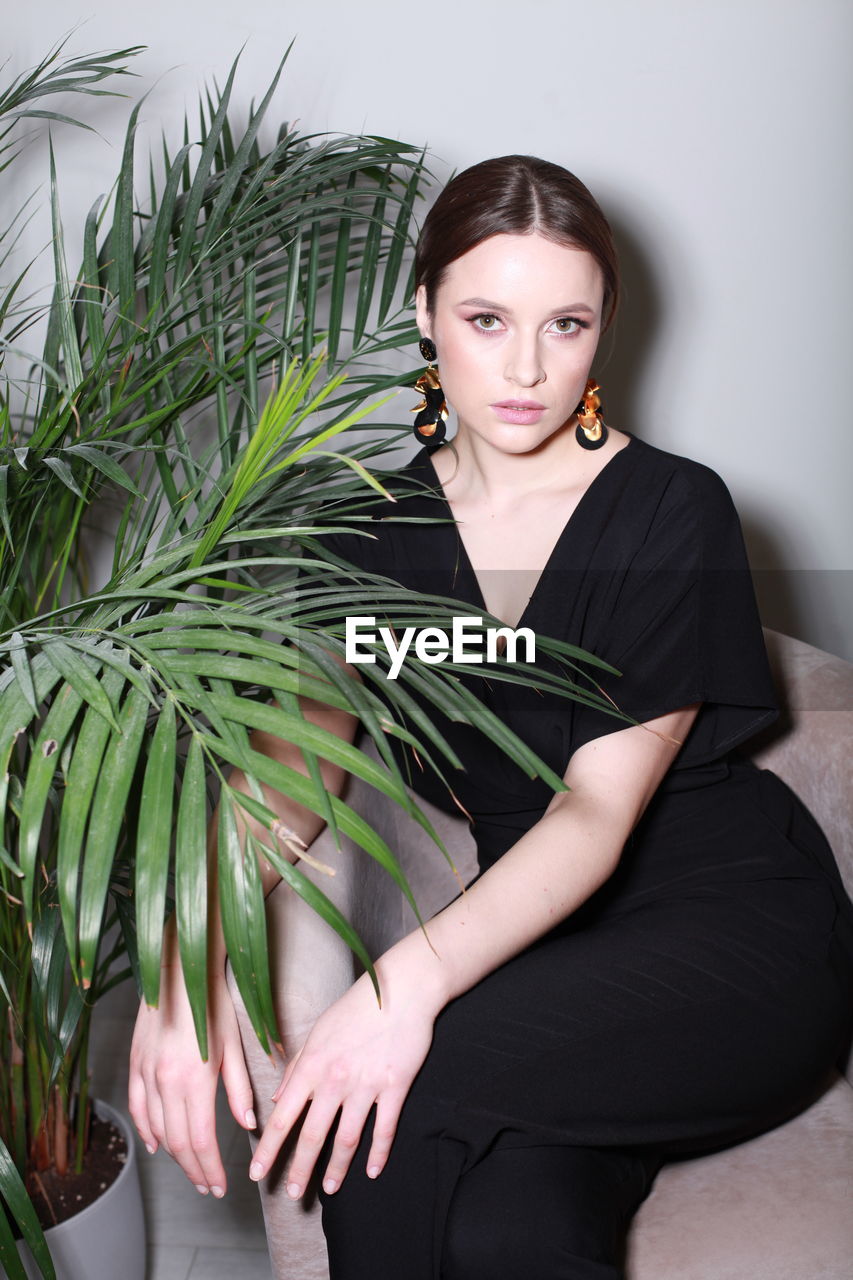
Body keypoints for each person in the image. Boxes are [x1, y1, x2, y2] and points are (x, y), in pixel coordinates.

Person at [129, 155, 853, 1279]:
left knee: (379, 1116)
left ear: (604, 327)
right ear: (425, 313)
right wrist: (182, 961)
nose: (527, 367)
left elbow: (595, 809)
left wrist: (398, 983)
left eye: (565, 324)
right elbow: (291, 776)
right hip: (543, 942)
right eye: (486, 318)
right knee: (507, 1227)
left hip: (734, 928)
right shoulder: (362, 532)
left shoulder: (673, 508)